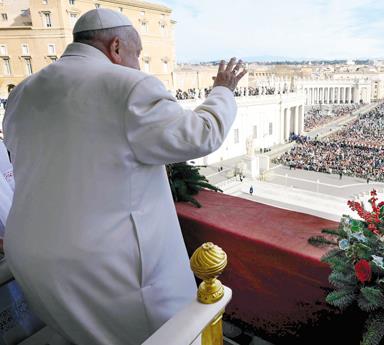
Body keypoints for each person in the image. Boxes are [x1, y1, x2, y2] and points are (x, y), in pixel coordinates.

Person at [2, 9, 246, 345]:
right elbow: (200, 135)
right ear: (116, 47)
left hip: (31, 259)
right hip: (103, 269)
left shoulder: (23, 91)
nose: (139, 63)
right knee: (164, 333)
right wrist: (222, 91)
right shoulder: (131, 86)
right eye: (138, 54)